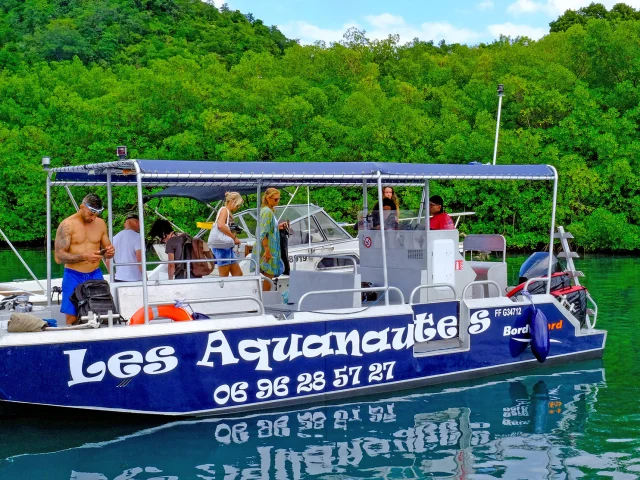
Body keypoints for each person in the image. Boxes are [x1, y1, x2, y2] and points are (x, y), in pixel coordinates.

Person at [54, 193, 114, 325]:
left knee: (102, 313)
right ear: (82, 207)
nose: (93, 218)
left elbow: (107, 250)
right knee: (72, 318)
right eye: (91, 214)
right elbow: (58, 257)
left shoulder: (100, 224)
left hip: (95, 273)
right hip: (73, 275)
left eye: (96, 215)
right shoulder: (67, 225)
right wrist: (83, 256)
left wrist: (109, 252)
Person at [257, 188, 286, 291]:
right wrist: (267, 250)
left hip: (271, 247)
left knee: (269, 274)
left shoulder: (269, 211)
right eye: (275, 199)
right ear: (268, 198)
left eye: (279, 199)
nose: (277, 202)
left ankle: (265, 298)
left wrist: (277, 227)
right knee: (269, 274)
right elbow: (262, 232)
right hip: (269, 248)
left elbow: (269, 228)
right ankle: (265, 299)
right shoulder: (267, 212)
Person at [212, 192, 243, 277]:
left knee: (238, 274)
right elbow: (221, 225)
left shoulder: (228, 212)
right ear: (232, 201)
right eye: (237, 204)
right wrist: (234, 238)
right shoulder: (224, 210)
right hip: (222, 247)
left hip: (227, 247)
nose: (238, 207)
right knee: (224, 276)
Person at [108, 213, 143, 282]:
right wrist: (145, 278)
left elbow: (108, 261)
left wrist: (113, 276)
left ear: (125, 224)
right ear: (137, 223)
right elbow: (140, 260)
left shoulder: (114, 238)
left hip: (119, 278)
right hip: (135, 279)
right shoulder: (138, 237)